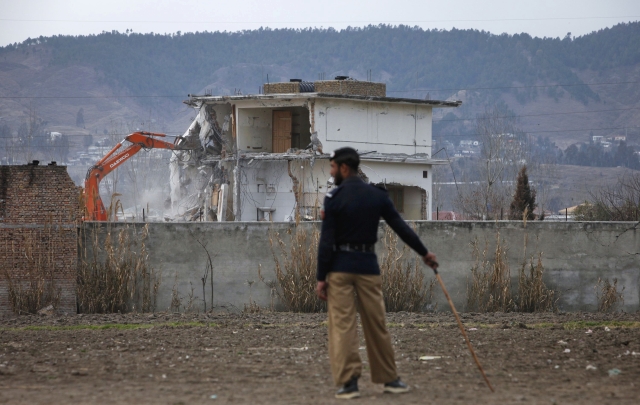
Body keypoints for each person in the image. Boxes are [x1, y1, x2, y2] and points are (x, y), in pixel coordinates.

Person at [316, 147, 438, 399]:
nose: (331, 172)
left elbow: (326, 241)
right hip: (368, 268)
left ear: (344, 168)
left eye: (332, 167)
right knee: (377, 324)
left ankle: (349, 383)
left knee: (343, 326)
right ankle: (390, 379)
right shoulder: (376, 196)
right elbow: (401, 228)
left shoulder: (333, 198)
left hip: (339, 269)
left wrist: (321, 277)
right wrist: (424, 253)